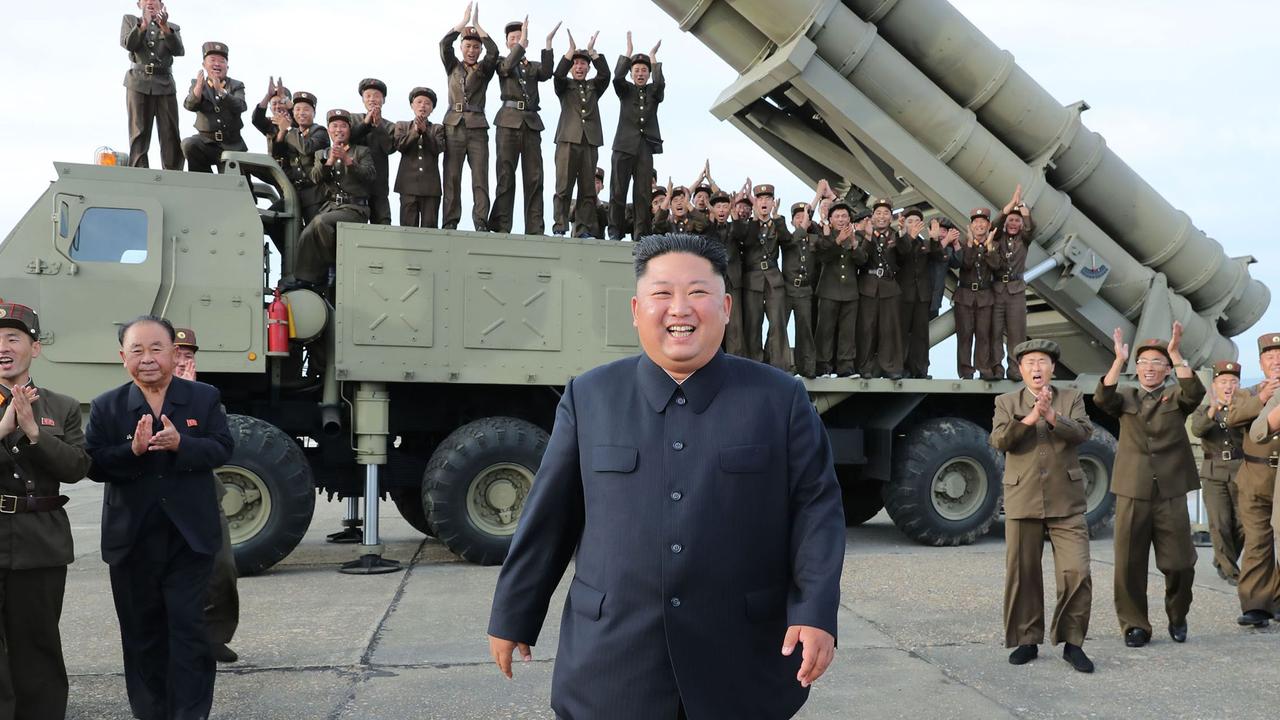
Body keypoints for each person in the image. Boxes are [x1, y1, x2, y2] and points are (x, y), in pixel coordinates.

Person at [487, 234, 844, 719]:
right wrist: (515, 612)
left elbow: (816, 511)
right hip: (611, 658)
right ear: (637, 309)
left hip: (741, 659)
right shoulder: (590, 397)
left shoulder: (778, 400)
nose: (681, 309)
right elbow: (550, 515)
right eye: (662, 294)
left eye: (698, 293)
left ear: (725, 307)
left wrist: (815, 613)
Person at [85, 316, 234, 720]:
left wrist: (181, 444)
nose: (147, 358)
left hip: (189, 539)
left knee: (189, 632)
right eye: (137, 350)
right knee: (141, 634)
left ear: (173, 353)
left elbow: (222, 448)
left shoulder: (203, 398)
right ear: (122, 357)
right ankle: (151, 713)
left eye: (156, 349)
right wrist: (131, 452)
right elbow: (94, 465)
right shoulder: (107, 406)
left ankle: (191, 713)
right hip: (131, 540)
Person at [0, 301, 92, 720]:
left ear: (34, 348)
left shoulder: (61, 406)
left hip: (40, 539)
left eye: (13, 338)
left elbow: (77, 468)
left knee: (37, 644)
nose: (3, 347)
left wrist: (37, 434)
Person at [1094, 324, 1203, 647]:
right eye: (1143, 363)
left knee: (1181, 563)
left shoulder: (1177, 396)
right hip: (1133, 489)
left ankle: (1178, 614)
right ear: (1136, 369)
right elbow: (1103, 397)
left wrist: (1176, 352)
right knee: (1129, 563)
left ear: (1167, 369)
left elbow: (1195, 393)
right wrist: (1118, 360)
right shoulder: (1126, 396)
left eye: (1157, 363)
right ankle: (1134, 625)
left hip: (1170, 490)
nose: (1149, 368)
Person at [990, 339, 1094, 673]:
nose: (1036, 368)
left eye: (1043, 362)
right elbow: (1000, 441)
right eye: (1030, 362)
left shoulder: (1072, 397)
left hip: (1067, 497)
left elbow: (1082, 433)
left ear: (1053, 368)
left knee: (1076, 570)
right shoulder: (1007, 401)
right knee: (1023, 573)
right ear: (1020, 369)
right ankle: (1026, 639)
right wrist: (1032, 416)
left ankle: (1073, 642)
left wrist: (1052, 416)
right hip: (1023, 497)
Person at [173, 328, 239, 664]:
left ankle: (215, 636)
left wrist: (191, 393)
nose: (184, 363)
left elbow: (219, 447)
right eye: (178, 355)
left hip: (203, 494)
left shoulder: (207, 398)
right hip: (163, 498)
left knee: (221, 568)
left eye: (189, 356)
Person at [1227, 333, 1280, 627]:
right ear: (1260, 363)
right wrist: (1263, 397)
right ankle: (1256, 605)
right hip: (1255, 476)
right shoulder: (1246, 393)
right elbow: (1232, 419)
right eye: (1270, 357)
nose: (1276, 361)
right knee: (1258, 540)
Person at [289, 109, 376, 290]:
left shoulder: (361, 151)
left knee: (320, 223)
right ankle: (304, 278)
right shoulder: (321, 154)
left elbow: (370, 176)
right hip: (331, 207)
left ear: (349, 130)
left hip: (354, 208)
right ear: (329, 130)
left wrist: (348, 160)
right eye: (334, 126)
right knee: (306, 233)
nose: (339, 130)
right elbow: (315, 178)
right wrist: (329, 161)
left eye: (343, 126)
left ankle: (332, 268)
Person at [489, 18, 558, 234]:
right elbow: (506, 68)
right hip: (508, 121)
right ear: (508, 43)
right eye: (513, 39)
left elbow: (546, 73)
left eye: (520, 37)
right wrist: (521, 46)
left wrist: (548, 44)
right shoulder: (502, 61)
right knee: (505, 174)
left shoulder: (531, 66)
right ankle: (501, 225)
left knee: (535, 177)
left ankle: (535, 228)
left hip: (531, 122)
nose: (517, 40)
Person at [440, 3, 500, 230]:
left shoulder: (484, 70)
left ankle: (481, 222)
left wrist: (478, 27)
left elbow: (494, 52)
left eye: (476, 47)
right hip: (453, 126)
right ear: (462, 47)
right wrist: (463, 23)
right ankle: (450, 222)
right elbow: (444, 44)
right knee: (452, 177)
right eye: (468, 46)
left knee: (480, 178)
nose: (472, 50)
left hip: (477, 128)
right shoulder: (452, 66)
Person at [1190, 360, 1245, 585]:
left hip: (1242, 471)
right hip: (1214, 474)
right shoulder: (1204, 410)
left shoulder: (1246, 409)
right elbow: (1198, 429)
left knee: (1243, 525)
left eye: (1233, 381)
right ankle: (1231, 571)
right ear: (1214, 385)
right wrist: (1214, 409)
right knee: (1219, 522)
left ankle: (1222, 559)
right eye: (1223, 381)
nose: (1228, 386)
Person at [551, 35, 610, 238]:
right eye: (575, 63)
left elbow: (606, 74)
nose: (579, 67)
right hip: (567, 139)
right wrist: (570, 52)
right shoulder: (564, 85)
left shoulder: (594, 86)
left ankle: (584, 229)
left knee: (587, 189)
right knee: (563, 186)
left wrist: (593, 53)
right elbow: (557, 74)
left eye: (583, 64)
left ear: (588, 67)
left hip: (589, 142)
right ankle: (559, 226)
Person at [609, 33, 664, 240]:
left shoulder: (653, 92)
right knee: (618, 191)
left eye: (644, 70)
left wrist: (653, 58)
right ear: (631, 74)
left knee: (642, 194)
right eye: (636, 70)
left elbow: (660, 85)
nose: (640, 73)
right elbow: (616, 79)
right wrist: (628, 53)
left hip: (645, 147)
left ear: (648, 74)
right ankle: (615, 231)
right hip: (623, 145)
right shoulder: (626, 90)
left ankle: (641, 234)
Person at [121, 0, 184, 170]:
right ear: (139, 4)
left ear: (161, 4)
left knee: (170, 133)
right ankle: (139, 171)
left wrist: (164, 27)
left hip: (165, 84)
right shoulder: (130, 21)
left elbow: (179, 51)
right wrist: (143, 26)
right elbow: (128, 44)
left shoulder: (172, 27)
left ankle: (174, 173)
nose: (150, 2)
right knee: (138, 131)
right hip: (138, 82)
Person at [733, 184, 788, 370]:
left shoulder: (778, 223)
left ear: (773, 202)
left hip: (773, 278)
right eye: (760, 199)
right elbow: (746, 241)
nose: (764, 202)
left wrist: (777, 219)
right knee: (753, 323)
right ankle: (753, 364)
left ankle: (777, 363)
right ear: (755, 203)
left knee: (777, 322)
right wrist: (755, 220)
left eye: (768, 199)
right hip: (753, 279)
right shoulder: (749, 225)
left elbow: (788, 241)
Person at [852, 199, 906, 380]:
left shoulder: (895, 235)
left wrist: (902, 233)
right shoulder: (861, 234)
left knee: (889, 329)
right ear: (872, 216)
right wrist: (868, 237)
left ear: (891, 216)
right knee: (866, 328)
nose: (882, 217)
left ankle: (890, 366)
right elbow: (860, 259)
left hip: (889, 286)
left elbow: (905, 254)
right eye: (878, 213)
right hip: (868, 285)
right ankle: (865, 366)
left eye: (885, 213)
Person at [181, 41, 247, 173]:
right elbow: (189, 105)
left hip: (232, 145)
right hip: (207, 142)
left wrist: (222, 93)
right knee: (189, 144)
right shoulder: (197, 84)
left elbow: (241, 106)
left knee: (237, 184)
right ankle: (204, 182)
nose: (217, 64)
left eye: (222, 61)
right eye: (212, 60)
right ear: (204, 65)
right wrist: (198, 89)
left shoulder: (236, 85)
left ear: (227, 66)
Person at [991, 186, 1034, 381]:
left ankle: (1015, 369)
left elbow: (1030, 228)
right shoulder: (998, 238)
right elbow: (995, 224)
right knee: (995, 331)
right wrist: (1010, 205)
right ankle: (996, 368)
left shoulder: (1024, 240)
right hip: (998, 289)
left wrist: (1023, 210)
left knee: (1017, 333)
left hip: (1016, 290)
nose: (1014, 223)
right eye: (1011, 220)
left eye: (1017, 221)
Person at [814, 203, 861, 378]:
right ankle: (823, 367)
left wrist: (855, 245)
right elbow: (824, 257)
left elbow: (863, 261)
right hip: (828, 290)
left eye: (844, 216)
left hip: (850, 292)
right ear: (830, 220)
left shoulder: (855, 237)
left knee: (847, 332)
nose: (841, 219)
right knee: (825, 330)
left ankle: (846, 367)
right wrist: (838, 241)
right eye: (837, 216)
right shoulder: (824, 237)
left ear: (849, 219)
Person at [951, 208, 999, 380]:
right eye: (976, 222)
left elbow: (995, 265)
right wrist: (970, 244)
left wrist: (989, 246)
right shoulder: (963, 243)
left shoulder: (994, 244)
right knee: (964, 335)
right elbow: (965, 264)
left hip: (985, 296)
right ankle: (966, 371)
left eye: (983, 222)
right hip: (964, 295)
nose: (979, 225)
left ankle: (984, 368)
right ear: (970, 226)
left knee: (983, 335)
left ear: (989, 225)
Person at [896, 207, 941, 379]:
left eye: (917, 221)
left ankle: (920, 369)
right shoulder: (900, 242)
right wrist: (907, 236)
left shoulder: (925, 244)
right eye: (910, 221)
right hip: (903, 295)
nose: (914, 224)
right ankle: (900, 368)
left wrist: (935, 239)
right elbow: (899, 255)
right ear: (904, 224)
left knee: (921, 335)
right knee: (901, 334)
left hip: (922, 296)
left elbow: (938, 256)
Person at [393, 87, 446, 228]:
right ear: (412, 105)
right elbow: (400, 145)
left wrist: (425, 132)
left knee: (430, 230)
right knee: (408, 228)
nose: (423, 106)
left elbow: (438, 148)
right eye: (419, 102)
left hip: (431, 188)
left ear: (432, 109)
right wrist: (416, 131)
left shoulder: (437, 128)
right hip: (407, 186)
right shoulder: (402, 125)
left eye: (427, 103)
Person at [700, 191, 744, 356]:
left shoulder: (735, 227)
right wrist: (710, 218)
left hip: (733, 281)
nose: (721, 210)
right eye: (718, 206)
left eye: (725, 206)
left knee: (735, 324)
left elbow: (742, 235)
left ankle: (735, 359)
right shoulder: (708, 229)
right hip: (714, 282)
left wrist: (735, 217)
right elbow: (707, 239)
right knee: (712, 320)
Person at [349, 79, 397, 227]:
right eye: (368, 95)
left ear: (383, 100)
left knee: (383, 224)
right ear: (362, 99)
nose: (372, 99)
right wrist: (366, 123)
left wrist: (378, 125)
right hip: (354, 185)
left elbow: (390, 148)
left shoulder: (390, 126)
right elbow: (348, 139)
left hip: (379, 186)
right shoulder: (352, 119)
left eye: (376, 95)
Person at [281, 91, 330, 224]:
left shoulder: (320, 132)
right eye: (297, 109)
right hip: (294, 192)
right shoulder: (292, 133)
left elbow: (306, 148)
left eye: (306, 109)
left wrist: (289, 129)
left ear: (314, 113)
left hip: (315, 195)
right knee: (273, 220)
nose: (301, 113)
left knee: (314, 232)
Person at [783, 201, 820, 378]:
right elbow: (792, 239)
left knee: (805, 330)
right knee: (779, 327)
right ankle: (779, 364)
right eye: (798, 217)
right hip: (787, 289)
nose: (802, 220)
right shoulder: (788, 238)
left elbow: (828, 241)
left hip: (805, 291)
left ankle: (807, 367)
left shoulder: (815, 239)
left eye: (804, 217)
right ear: (792, 222)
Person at [928, 218, 959, 320]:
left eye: (944, 231)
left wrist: (955, 243)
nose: (940, 234)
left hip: (935, 299)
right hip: (919, 298)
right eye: (937, 230)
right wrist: (946, 240)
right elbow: (934, 252)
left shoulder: (948, 250)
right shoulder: (923, 245)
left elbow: (957, 263)